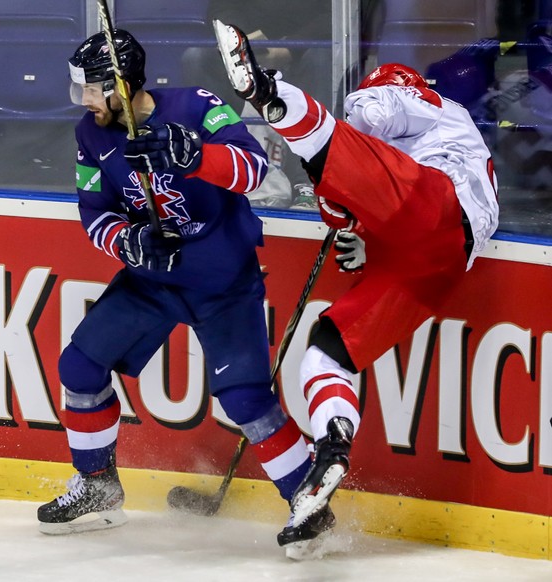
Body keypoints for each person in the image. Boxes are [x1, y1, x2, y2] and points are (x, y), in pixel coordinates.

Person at [214, 21, 500, 553]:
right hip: (434, 260)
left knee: (327, 135)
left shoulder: (425, 103)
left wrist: (346, 127)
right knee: (326, 354)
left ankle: (268, 91)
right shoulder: (418, 152)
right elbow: (346, 210)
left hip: (437, 207)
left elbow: (371, 116)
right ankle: (331, 450)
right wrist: (344, 201)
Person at [37, 29, 314, 535]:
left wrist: (194, 153)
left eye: (91, 90)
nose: (84, 101)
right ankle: (97, 483)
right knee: (78, 366)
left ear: (121, 85)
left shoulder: (196, 106)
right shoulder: (91, 134)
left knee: (246, 399)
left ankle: (309, 498)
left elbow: (254, 169)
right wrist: (129, 241)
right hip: (153, 280)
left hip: (222, 281)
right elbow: (94, 211)